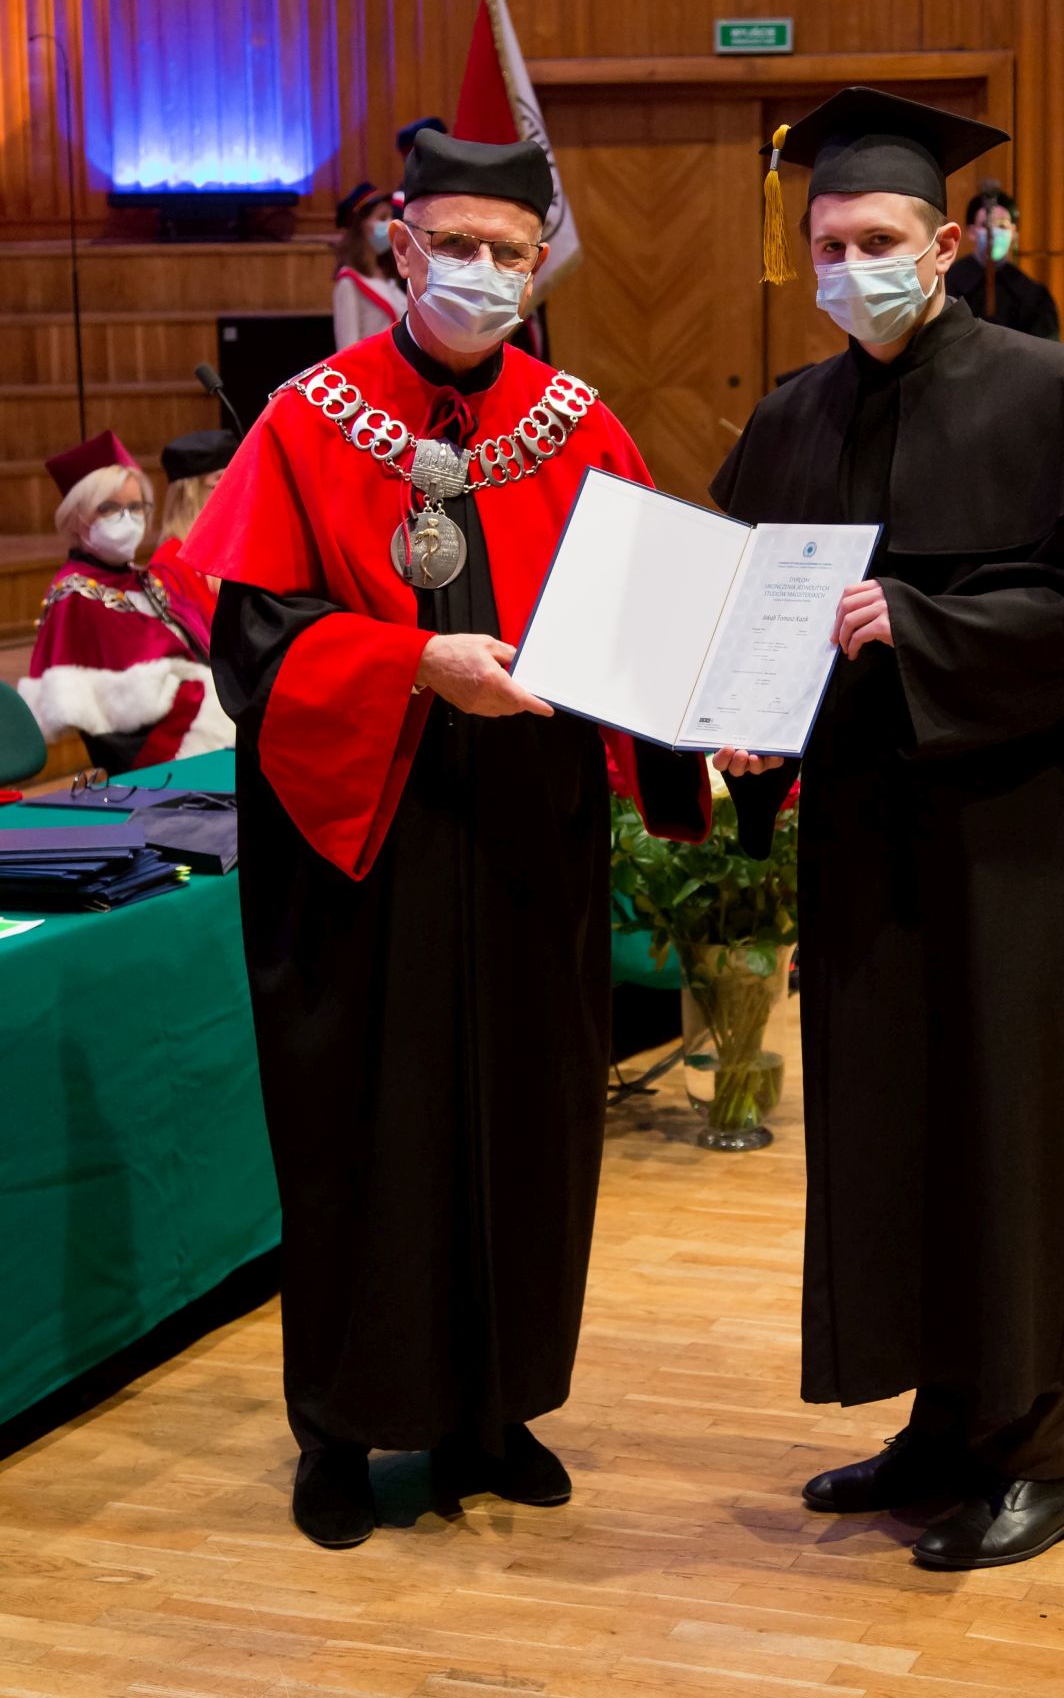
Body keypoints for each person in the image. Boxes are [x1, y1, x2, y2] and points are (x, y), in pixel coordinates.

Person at [181, 128, 709, 1551]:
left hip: (529, 830)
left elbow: (647, 618)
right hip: (362, 840)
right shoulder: (308, 418)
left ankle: (495, 1413)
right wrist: (415, 664)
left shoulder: (579, 423)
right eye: (455, 245)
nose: (480, 271)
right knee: (362, 1127)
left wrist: (709, 712)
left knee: (530, 1118)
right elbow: (252, 642)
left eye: (508, 252)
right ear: (401, 246)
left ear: (540, 267)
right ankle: (340, 1433)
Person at [712, 88, 1064, 1571]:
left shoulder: (1058, 392)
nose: (854, 266)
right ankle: (939, 1421)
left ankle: (1048, 1450)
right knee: (893, 1117)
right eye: (828, 244)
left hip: (1023, 832)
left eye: (880, 239)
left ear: (945, 243)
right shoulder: (792, 417)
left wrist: (921, 626)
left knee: (1017, 1119)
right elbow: (761, 618)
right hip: (870, 836)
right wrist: (745, 725)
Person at [19, 431, 233, 770]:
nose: (127, 518)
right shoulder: (75, 595)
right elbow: (114, 717)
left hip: (197, 718)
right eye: (110, 508)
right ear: (77, 517)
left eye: (136, 508)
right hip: (159, 751)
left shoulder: (138, 579)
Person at [148, 428, 238, 641]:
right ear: (190, 495)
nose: (236, 492)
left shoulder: (236, 547)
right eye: (220, 482)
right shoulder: (169, 564)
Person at [944, 184, 1060, 339]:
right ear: (971, 231)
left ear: (1013, 232)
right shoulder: (947, 284)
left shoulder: (1032, 295)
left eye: (1002, 226)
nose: (994, 232)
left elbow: (1046, 347)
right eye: (986, 225)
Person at [331, 182, 407, 349]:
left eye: (390, 216)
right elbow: (347, 349)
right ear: (361, 226)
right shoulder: (349, 282)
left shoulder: (387, 274)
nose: (390, 223)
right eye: (382, 218)